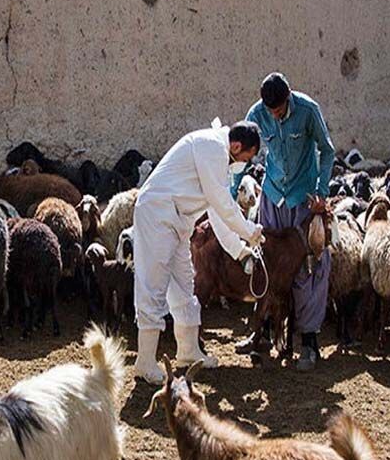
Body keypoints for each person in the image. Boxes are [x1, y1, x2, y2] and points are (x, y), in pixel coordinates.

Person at [133, 121, 264, 385]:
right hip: (157, 215)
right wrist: (249, 230)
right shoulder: (211, 148)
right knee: (153, 285)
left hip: (178, 222)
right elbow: (223, 203)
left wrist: (240, 251)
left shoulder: (218, 161)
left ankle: (188, 351)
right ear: (236, 146)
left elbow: (218, 214)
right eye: (246, 158)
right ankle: (145, 361)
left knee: (185, 284)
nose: (245, 164)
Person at [236, 72, 335, 371]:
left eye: (279, 110)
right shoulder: (256, 114)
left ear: (289, 97)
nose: (275, 116)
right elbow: (241, 156)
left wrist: (321, 192)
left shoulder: (308, 110)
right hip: (272, 195)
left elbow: (327, 151)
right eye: (271, 112)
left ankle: (308, 342)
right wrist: (228, 195)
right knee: (263, 260)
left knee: (308, 265)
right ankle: (262, 331)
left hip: (303, 198)